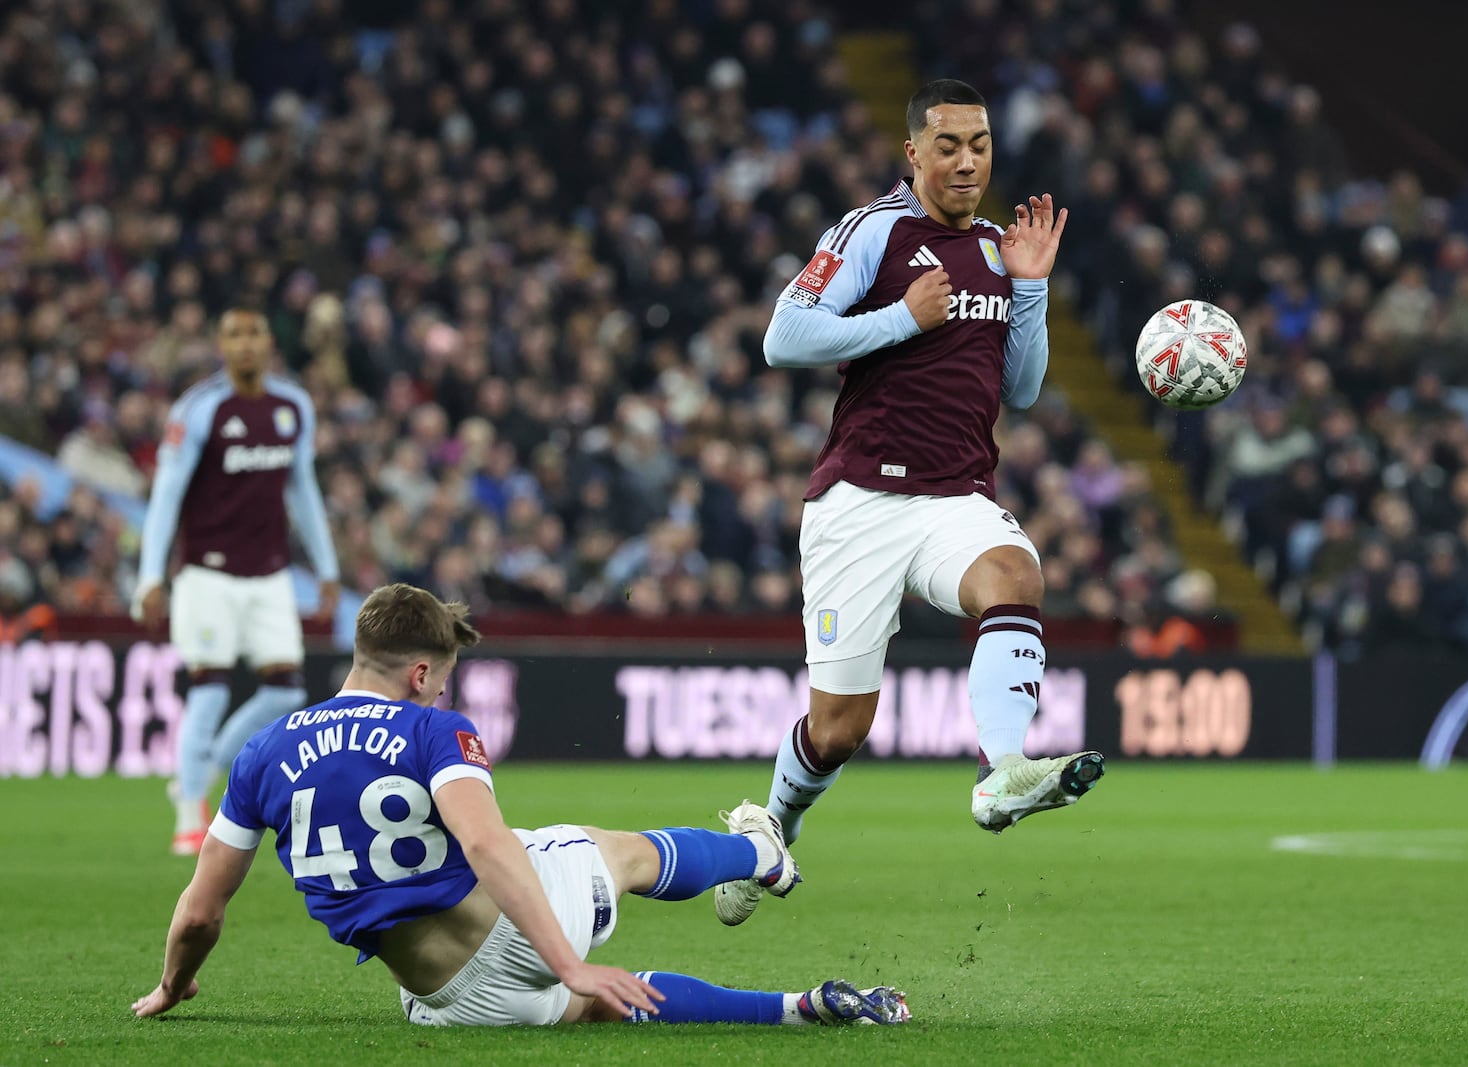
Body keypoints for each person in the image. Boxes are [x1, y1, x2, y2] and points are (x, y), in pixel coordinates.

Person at [132, 583, 909, 1028]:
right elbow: (487, 845)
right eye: (442, 676)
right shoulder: (432, 727)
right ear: (418, 673)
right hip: (522, 930)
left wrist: (172, 984)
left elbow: (200, 911)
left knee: (609, 1005)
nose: (443, 689)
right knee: (616, 850)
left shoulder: (262, 752)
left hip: (444, 996)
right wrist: (568, 961)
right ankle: (762, 851)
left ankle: (800, 1009)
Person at [714, 80, 1104, 927]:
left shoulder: (1004, 250)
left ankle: (1001, 773)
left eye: (981, 144)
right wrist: (898, 317)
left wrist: (1030, 288)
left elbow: (1025, 390)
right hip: (859, 502)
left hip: (954, 496)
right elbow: (784, 336)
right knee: (842, 727)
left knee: (1014, 572)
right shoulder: (874, 231)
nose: (968, 160)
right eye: (950, 144)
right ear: (914, 153)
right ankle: (770, 830)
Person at [133, 307, 342, 855]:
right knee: (210, 687)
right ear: (220, 345)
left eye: (253, 333)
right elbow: (167, 495)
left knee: (286, 691)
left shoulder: (292, 406)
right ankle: (187, 817)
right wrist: (150, 575)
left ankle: (199, 773)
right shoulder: (200, 408)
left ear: (269, 341)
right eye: (233, 335)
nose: (245, 345)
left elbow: (303, 489)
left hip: (270, 576)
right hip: (208, 573)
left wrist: (327, 567)